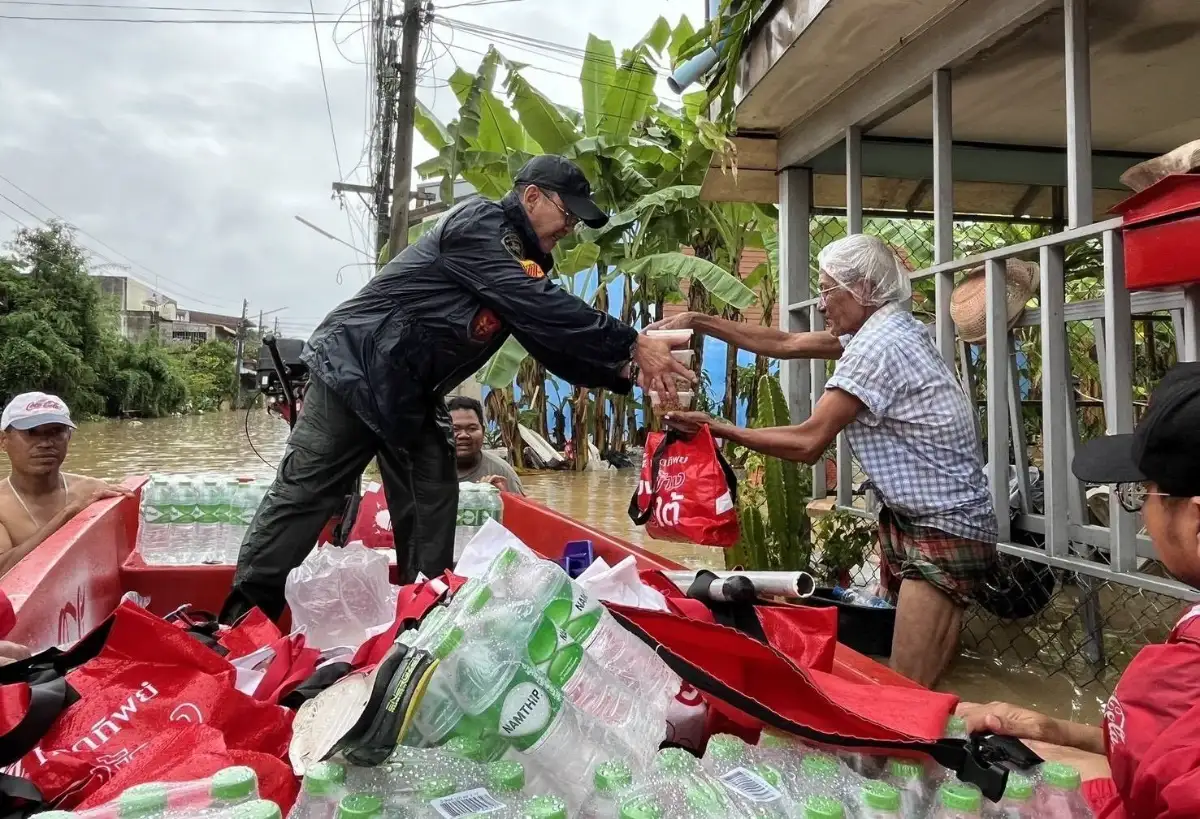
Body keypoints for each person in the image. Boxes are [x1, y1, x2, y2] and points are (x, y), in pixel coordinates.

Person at [220, 155, 691, 623]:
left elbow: (551, 343)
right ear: (531, 196)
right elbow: (538, 305)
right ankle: (238, 626)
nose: (570, 228)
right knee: (306, 497)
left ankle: (420, 622)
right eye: (567, 214)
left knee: (432, 503)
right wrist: (632, 340)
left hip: (411, 392)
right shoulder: (480, 225)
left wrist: (626, 369)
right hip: (354, 369)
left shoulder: (525, 262)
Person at [656, 233, 997, 687]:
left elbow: (808, 442)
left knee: (907, 689)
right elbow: (784, 342)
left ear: (862, 291)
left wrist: (716, 428)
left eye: (828, 289)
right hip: (919, 521)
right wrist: (698, 320)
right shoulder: (885, 327)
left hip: (942, 530)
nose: (820, 303)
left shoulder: (878, 348)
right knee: (913, 673)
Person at [959, 362, 1200, 818]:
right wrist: (1053, 729)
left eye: (1140, 492)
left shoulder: (1184, 674)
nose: (1139, 511)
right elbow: (1161, 750)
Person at [0, 392, 132, 577]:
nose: (45, 443)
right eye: (32, 432)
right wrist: (69, 514)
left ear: (68, 437)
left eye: (56, 431)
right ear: (3, 441)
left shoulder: (94, 490)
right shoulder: (2, 506)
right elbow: (3, 571)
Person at [447, 396, 524, 495]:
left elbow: (522, 508)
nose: (463, 435)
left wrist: (500, 498)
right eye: (455, 429)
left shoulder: (501, 472)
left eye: (472, 428)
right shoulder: (425, 470)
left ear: (483, 431)